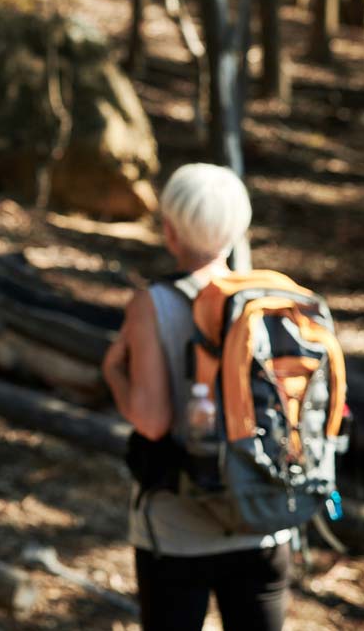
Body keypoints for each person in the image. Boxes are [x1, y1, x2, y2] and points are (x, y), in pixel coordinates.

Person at [102, 163, 292, 631]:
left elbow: (151, 421)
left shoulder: (154, 305)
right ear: (237, 228)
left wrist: (113, 373)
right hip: (266, 521)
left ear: (170, 231)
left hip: (178, 533)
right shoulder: (272, 298)